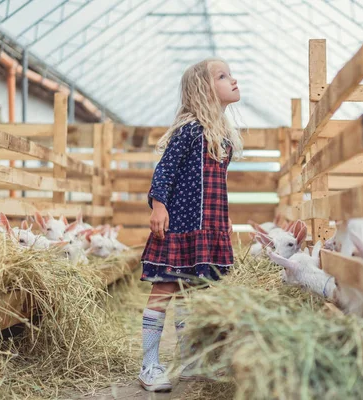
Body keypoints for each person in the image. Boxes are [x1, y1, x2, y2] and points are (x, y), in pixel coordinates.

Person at [137, 57, 242, 392]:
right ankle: (149, 365)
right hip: (180, 225)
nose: (233, 80)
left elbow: (218, 184)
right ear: (204, 88)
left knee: (193, 294)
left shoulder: (222, 136)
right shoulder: (190, 129)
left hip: (208, 226)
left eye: (230, 74)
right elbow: (165, 171)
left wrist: (224, 219)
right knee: (164, 289)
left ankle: (190, 361)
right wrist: (158, 206)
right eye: (223, 76)